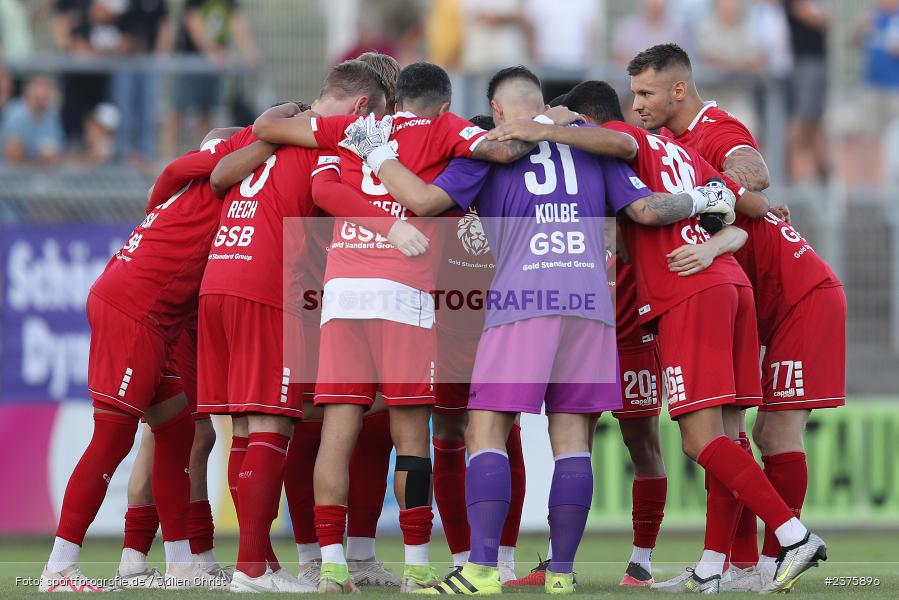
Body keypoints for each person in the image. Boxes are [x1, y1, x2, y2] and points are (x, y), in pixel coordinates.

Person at [351, 66, 742, 595]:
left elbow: (423, 204)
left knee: (485, 429)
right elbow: (647, 211)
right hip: (589, 302)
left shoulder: (486, 151)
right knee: (572, 438)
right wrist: (705, 198)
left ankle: (482, 570)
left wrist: (377, 155)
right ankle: (560, 573)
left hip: (522, 298)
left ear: (499, 109)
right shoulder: (590, 146)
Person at [251, 60, 550, 593]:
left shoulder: (356, 129)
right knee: (412, 436)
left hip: (342, 293)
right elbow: (503, 151)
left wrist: (369, 212)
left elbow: (305, 170)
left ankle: (332, 567)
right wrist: (549, 122)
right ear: (442, 103)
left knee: (336, 436)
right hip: (403, 293)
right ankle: (416, 566)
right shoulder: (446, 127)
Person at [624, 42, 840, 593]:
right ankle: (726, 564)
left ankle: (775, 556)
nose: (637, 105)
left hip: (800, 294)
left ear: (678, 89)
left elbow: (754, 176)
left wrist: (725, 190)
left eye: (646, 93)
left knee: (771, 431)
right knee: (729, 435)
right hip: (746, 299)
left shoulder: (715, 127)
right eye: (632, 94)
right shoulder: (668, 144)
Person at [39, 126, 277, 592]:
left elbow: (168, 175)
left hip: (147, 313)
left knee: (177, 427)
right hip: (136, 312)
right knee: (112, 438)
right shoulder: (222, 181)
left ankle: (181, 563)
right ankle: (59, 567)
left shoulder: (194, 174)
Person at [283, 52, 404, 590]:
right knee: (311, 426)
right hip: (304, 293)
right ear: (369, 102)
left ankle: (355, 554)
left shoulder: (336, 136)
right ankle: (313, 554)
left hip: (340, 291)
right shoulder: (323, 131)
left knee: (370, 427)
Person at [165, 0, 258, 159]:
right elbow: (194, 23)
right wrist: (213, 51)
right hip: (190, 61)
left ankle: (204, 157)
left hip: (213, 65)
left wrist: (250, 54)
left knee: (205, 113)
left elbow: (238, 24)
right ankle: (167, 159)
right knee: (177, 112)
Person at [112, 0, 173, 162]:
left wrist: (160, 56)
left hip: (149, 61)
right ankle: (123, 156)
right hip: (124, 61)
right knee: (123, 110)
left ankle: (145, 156)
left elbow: (164, 23)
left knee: (148, 111)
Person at [783, 0, 830, 183]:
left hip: (810, 64)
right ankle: (790, 174)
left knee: (814, 121)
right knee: (802, 121)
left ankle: (821, 173)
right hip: (804, 64)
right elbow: (818, 18)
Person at [0, 75, 63, 164]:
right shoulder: (15, 113)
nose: (43, 93)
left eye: (47, 88)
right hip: (12, 175)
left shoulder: (51, 116)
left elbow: (58, 148)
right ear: (28, 91)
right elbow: (13, 157)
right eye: (40, 87)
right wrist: (38, 157)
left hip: (43, 175)